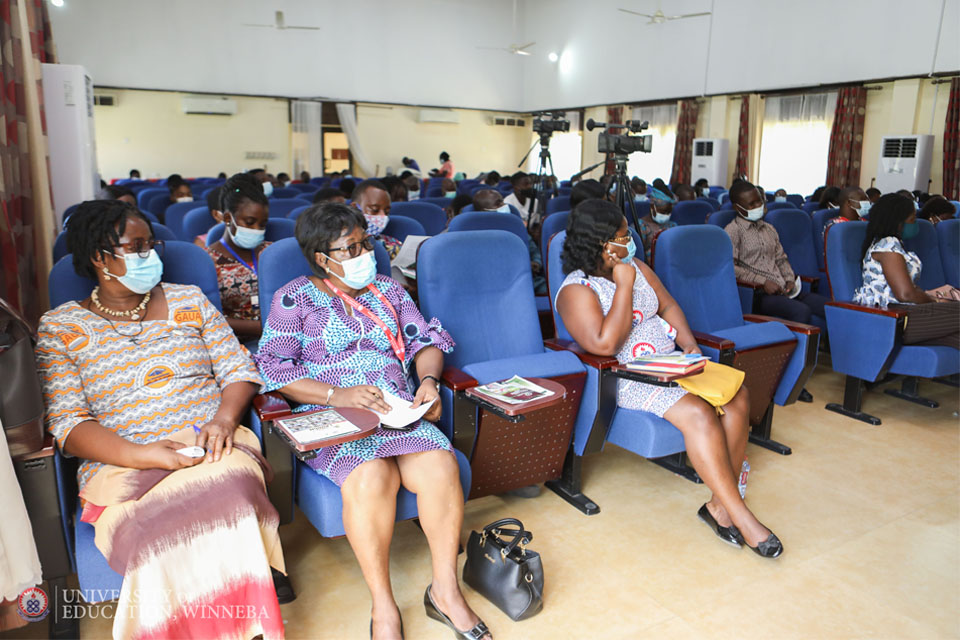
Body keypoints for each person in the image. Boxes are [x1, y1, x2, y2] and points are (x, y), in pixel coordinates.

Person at [36, 200, 290, 639]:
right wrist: (141, 455)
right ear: (100, 257)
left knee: (227, 498)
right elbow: (68, 424)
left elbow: (239, 370)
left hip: (212, 446)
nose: (150, 254)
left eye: (150, 244)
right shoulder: (60, 328)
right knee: (153, 538)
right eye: (136, 247)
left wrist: (225, 420)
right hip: (121, 463)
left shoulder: (188, 301)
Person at [256, 204, 493, 639]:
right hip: (337, 419)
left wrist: (427, 381)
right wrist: (336, 394)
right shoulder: (294, 298)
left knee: (441, 466)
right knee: (371, 478)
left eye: (366, 242)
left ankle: (445, 591)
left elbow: (427, 340)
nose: (365, 253)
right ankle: (383, 605)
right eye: (351, 248)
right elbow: (273, 368)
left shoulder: (389, 290)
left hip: (399, 413)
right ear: (321, 257)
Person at [556, 199, 782, 557]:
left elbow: (669, 306)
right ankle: (741, 514)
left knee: (737, 395)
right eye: (621, 236)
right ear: (601, 244)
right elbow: (604, 344)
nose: (629, 241)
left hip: (672, 362)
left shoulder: (638, 267)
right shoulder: (576, 291)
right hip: (627, 375)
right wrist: (625, 287)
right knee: (699, 413)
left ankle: (718, 506)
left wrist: (689, 345)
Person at [854, 193, 959, 348]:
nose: (916, 222)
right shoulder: (887, 246)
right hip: (892, 317)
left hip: (905, 313)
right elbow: (905, 294)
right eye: (912, 219)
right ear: (898, 221)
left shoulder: (894, 245)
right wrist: (935, 301)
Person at [726, 181, 828, 328]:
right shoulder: (733, 231)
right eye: (751, 204)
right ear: (738, 207)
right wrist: (763, 282)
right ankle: (792, 351)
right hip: (758, 294)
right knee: (802, 311)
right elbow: (731, 268)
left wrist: (789, 279)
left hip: (783, 289)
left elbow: (781, 259)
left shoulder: (769, 229)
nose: (758, 207)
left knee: (828, 306)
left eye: (759, 201)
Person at [206, 173, 271, 342]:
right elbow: (207, 316)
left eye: (262, 224)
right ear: (228, 218)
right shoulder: (208, 260)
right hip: (236, 342)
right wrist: (264, 328)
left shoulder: (272, 252)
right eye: (250, 222)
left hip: (282, 336)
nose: (257, 229)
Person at [473, 188, 546, 294]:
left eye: (502, 201)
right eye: (498, 204)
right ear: (483, 211)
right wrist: (523, 265)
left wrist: (536, 262)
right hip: (495, 285)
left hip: (528, 280)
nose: (504, 205)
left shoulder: (515, 225)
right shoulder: (473, 233)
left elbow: (533, 249)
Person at [352, 179, 402, 259]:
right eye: (374, 210)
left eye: (386, 212)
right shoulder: (342, 247)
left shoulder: (392, 244)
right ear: (355, 208)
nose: (382, 216)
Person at [636, 187, 678, 264]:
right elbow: (639, 255)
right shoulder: (641, 226)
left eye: (668, 212)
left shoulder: (673, 225)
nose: (666, 215)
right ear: (652, 207)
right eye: (663, 212)